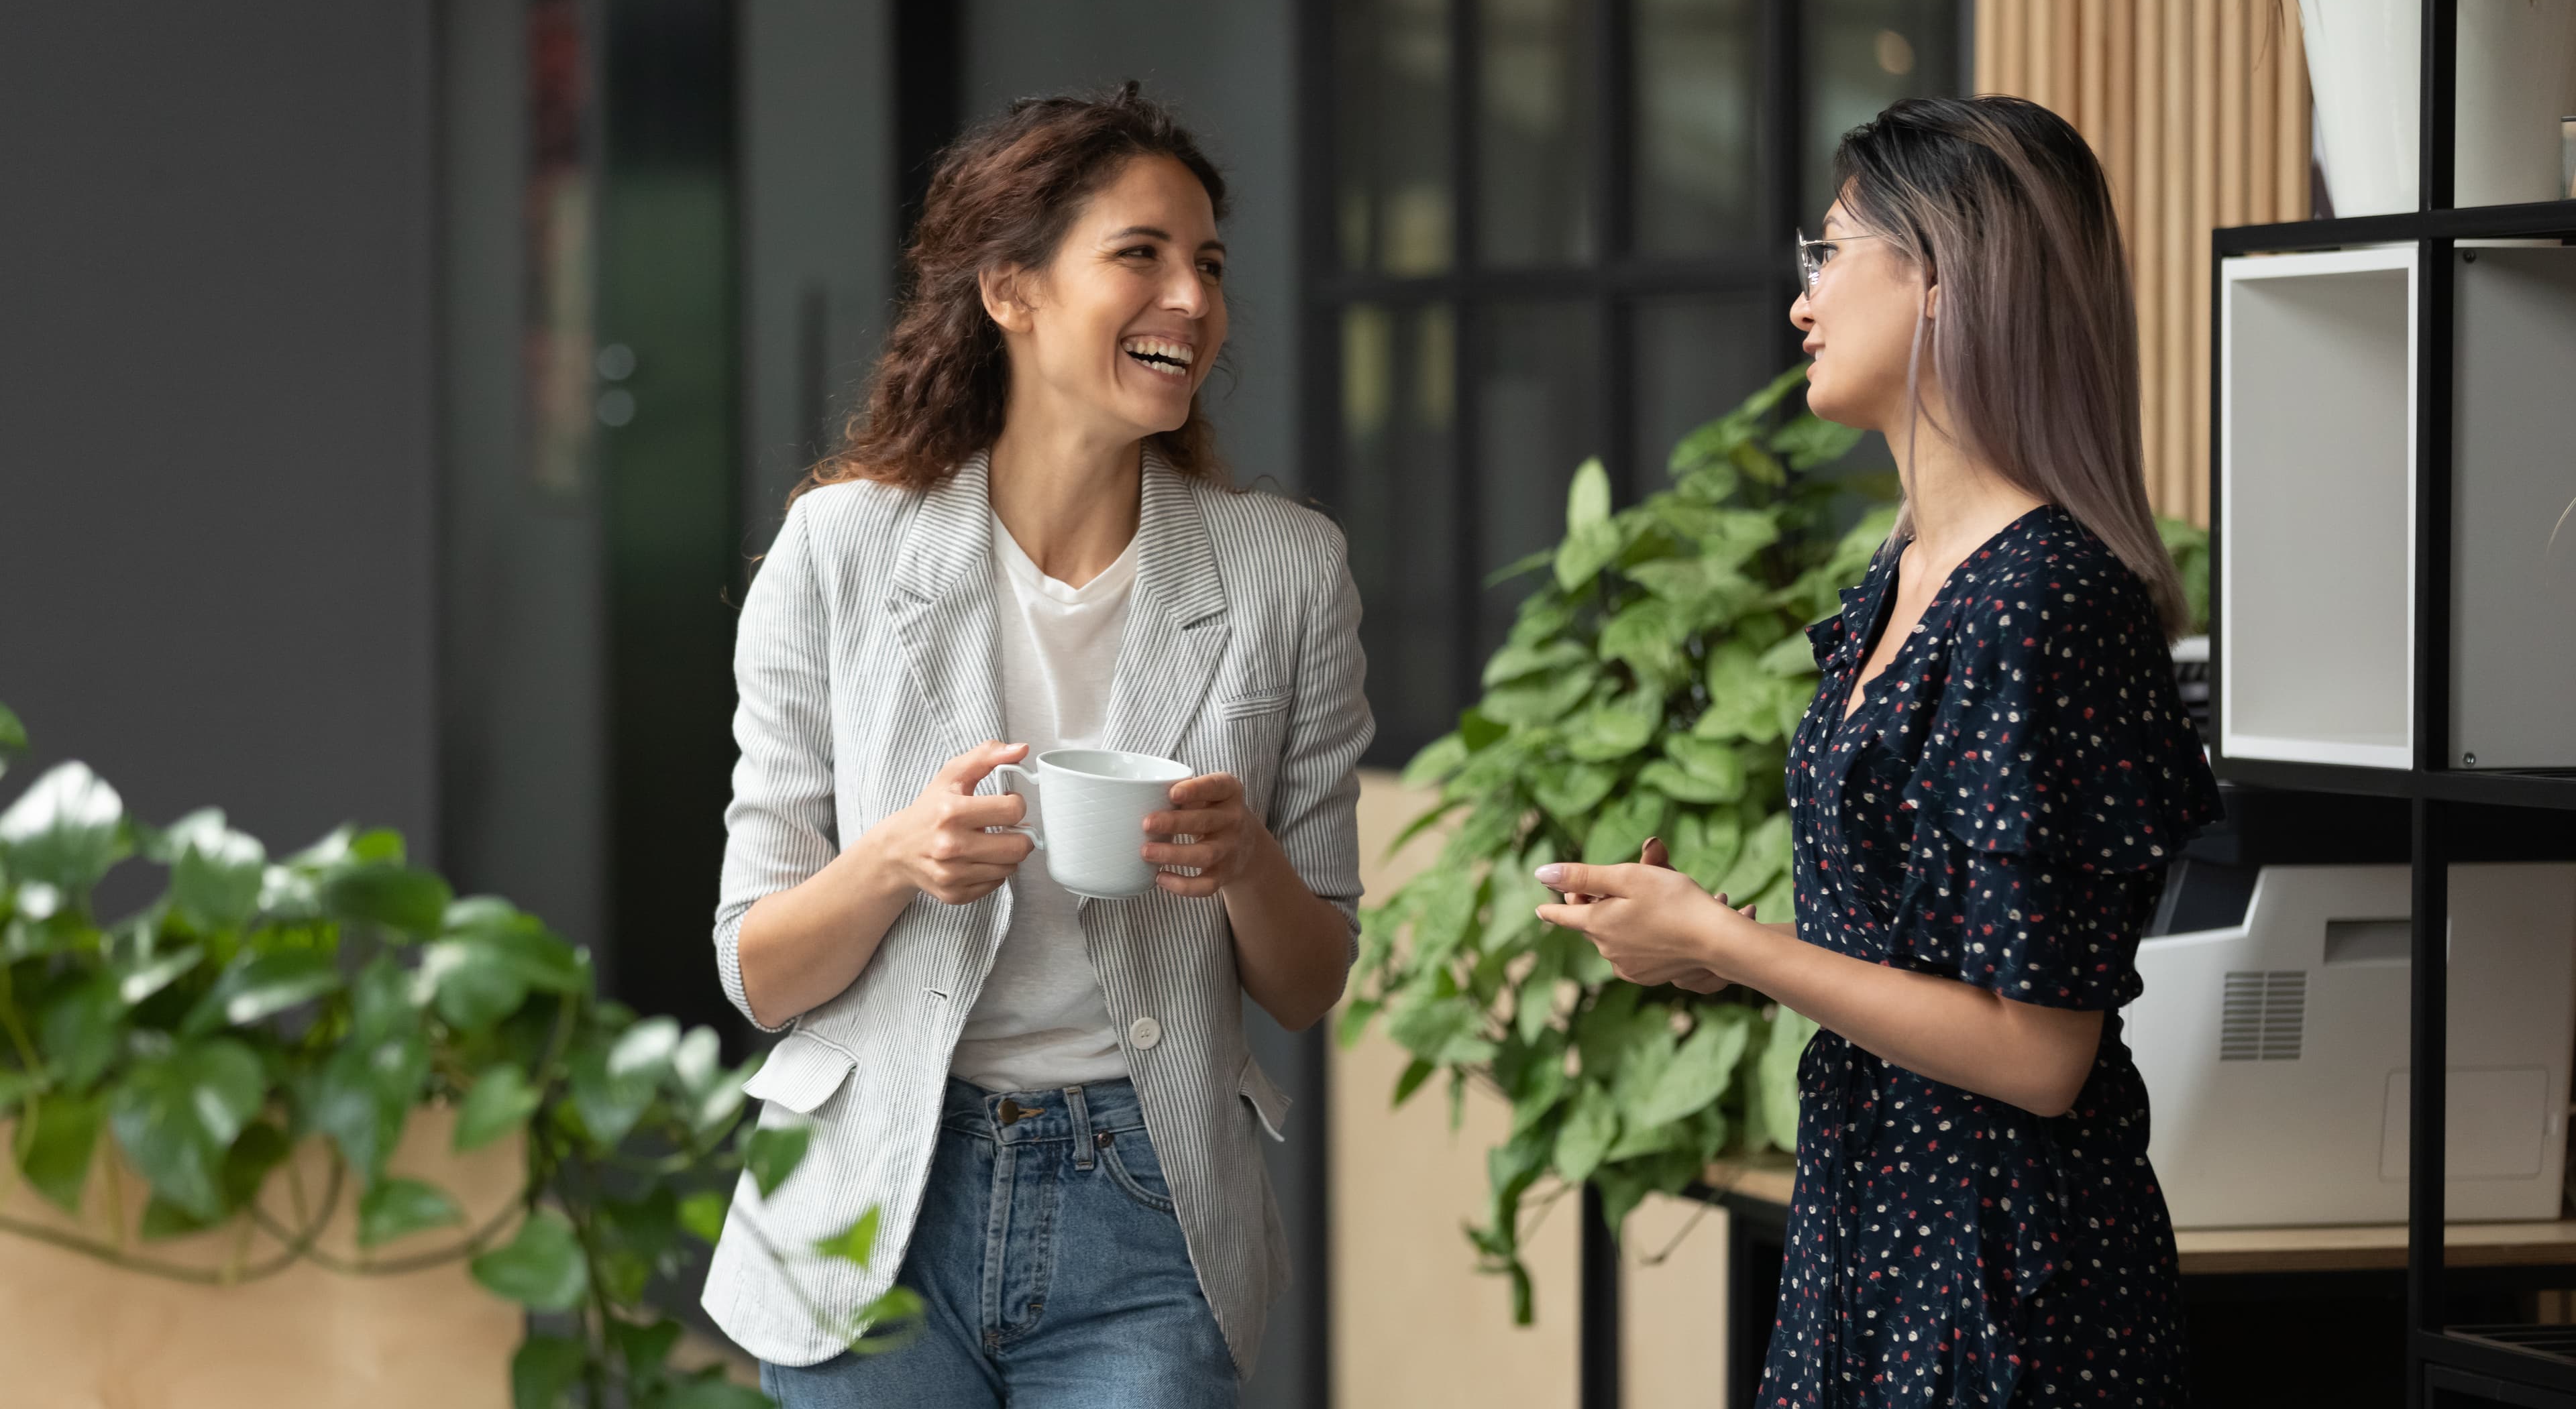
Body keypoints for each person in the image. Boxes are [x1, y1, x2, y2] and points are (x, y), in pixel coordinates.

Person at [1534, 95, 2220, 1406]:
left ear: (1949, 281)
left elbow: (2035, 1051)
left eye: (1832, 254)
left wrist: (1734, 944)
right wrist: (1703, 950)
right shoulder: (1903, 576)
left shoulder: (2045, 603)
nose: (1803, 302)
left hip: (2007, 1290)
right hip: (1872, 1244)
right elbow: (1919, 963)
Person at [699, 84, 1373, 1408]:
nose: (1192, 297)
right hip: (871, 1200)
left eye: (1211, 265)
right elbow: (758, 970)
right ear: (1010, 290)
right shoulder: (839, 551)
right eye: (1142, 255)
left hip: (1148, 1207)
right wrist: (897, 860)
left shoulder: (1288, 571)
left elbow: (1309, 982)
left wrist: (1245, 862)